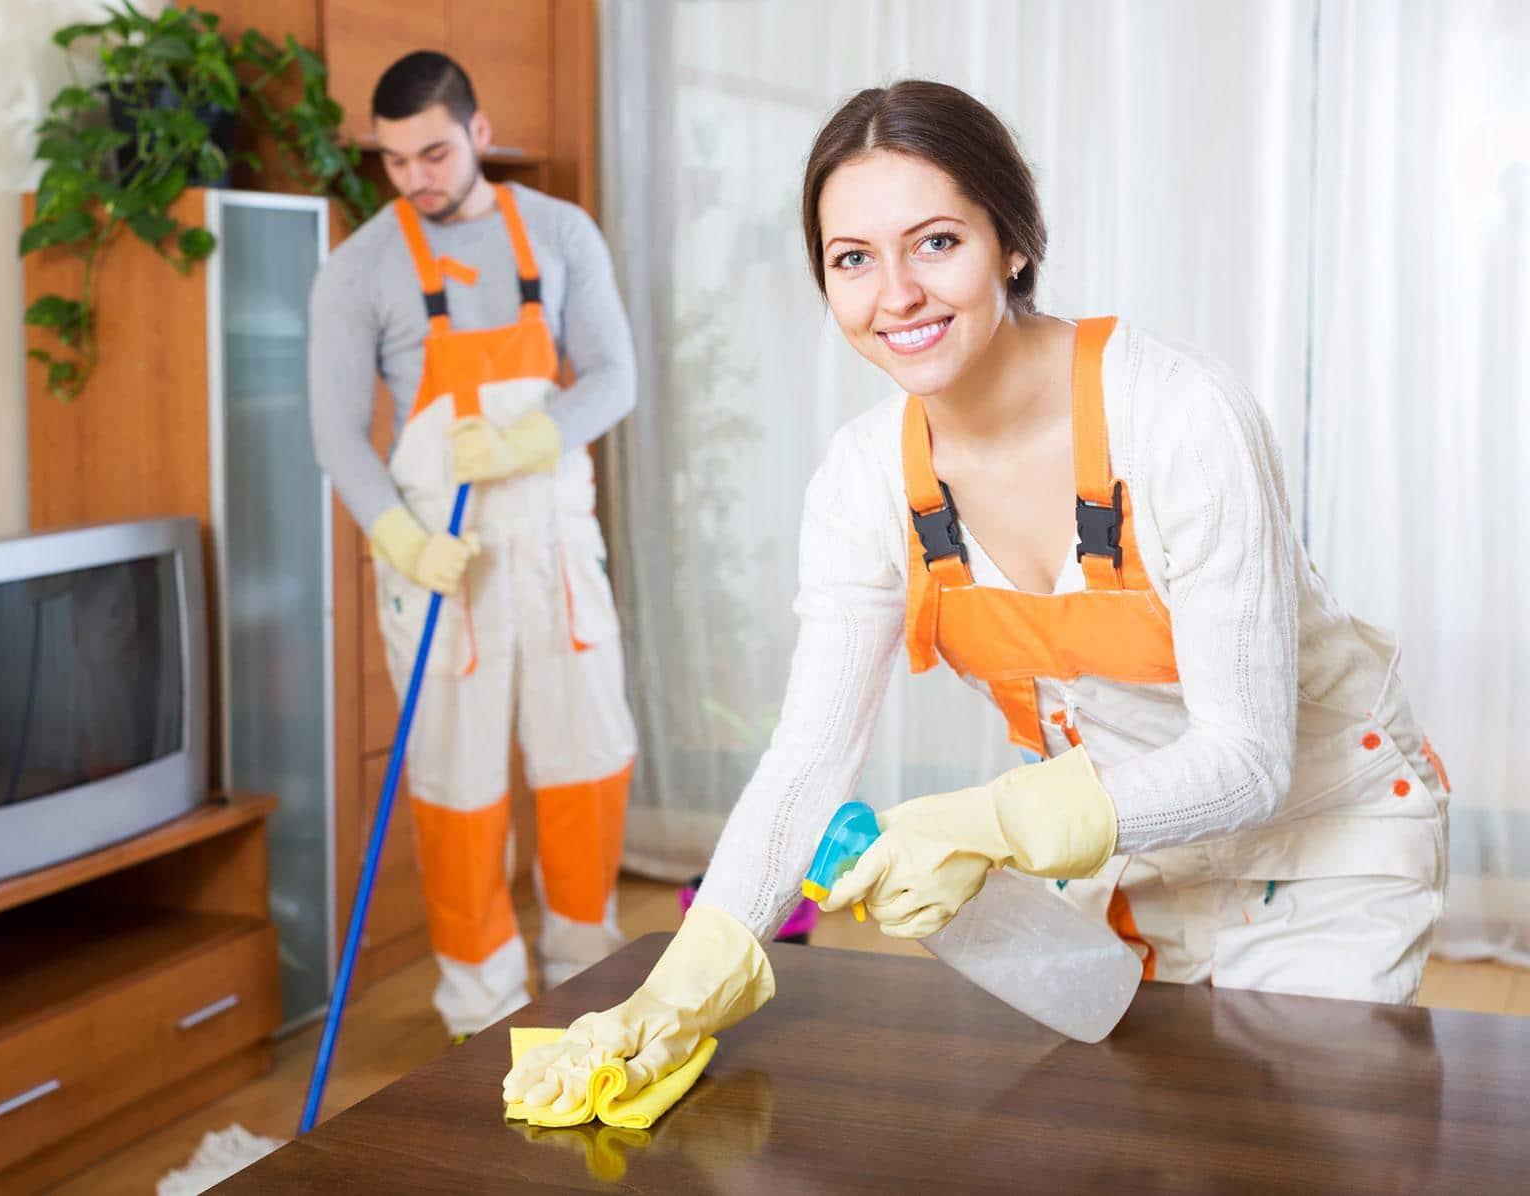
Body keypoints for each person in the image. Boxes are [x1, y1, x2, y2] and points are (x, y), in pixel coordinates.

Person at [502, 79, 1450, 1112]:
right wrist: (685, 983)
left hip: (1324, 844)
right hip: (1126, 865)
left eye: (936, 243)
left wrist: (987, 822)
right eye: (852, 259)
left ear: (1014, 243)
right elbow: (807, 762)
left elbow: (1249, 760)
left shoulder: (1179, 419)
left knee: (1292, 1147)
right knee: (1149, 1147)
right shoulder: (865, 479)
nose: (896, 294)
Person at [309, 51, 638, 1040]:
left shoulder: (561, 233)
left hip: (553, 546)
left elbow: (614, 378)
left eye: (435, 153)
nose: (415, 177)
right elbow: (336, 436)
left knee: (588, 762)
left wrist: (531, 439)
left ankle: (588, 978)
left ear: (479, 133)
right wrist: (403, 541)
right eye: (394, 160)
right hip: (442, 563)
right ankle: (484, 1011)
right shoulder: (358, 268)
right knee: (459, 788)